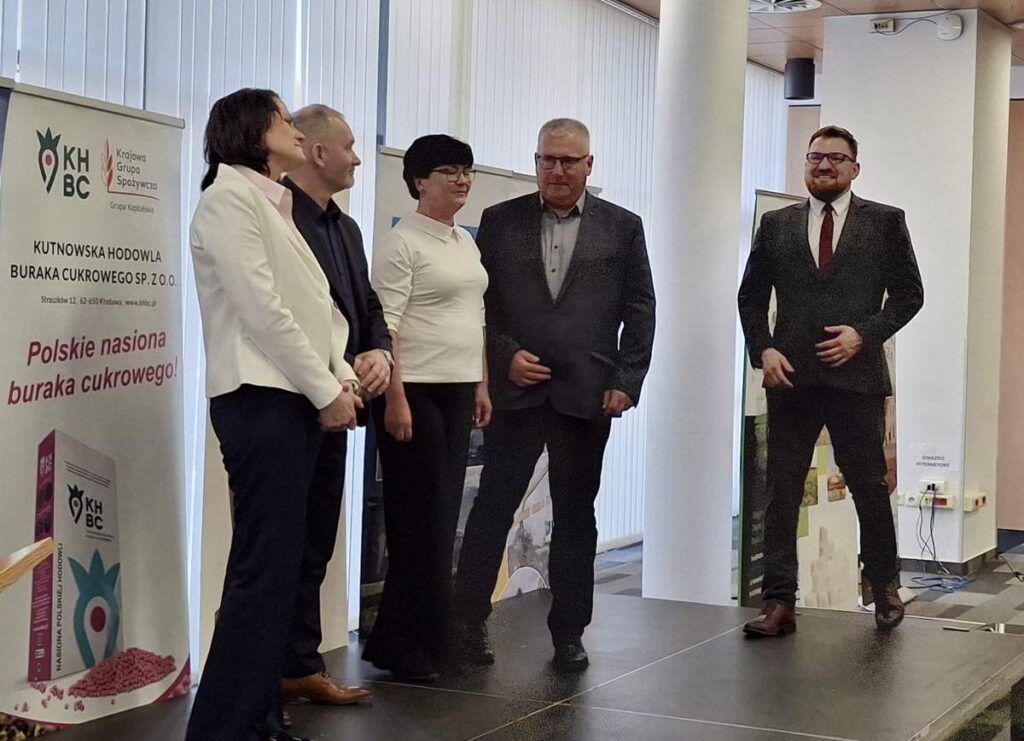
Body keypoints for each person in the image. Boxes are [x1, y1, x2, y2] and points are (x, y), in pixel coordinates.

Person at [185, 88, 362, 741]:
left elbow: (322, 309)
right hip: (260, 401)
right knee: (263, 569)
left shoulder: (272, 202)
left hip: (290, 399)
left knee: (278, 570)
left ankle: (256, 720)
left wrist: (341, 373)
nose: (295, 128)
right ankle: (225, 727)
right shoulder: (227, 200)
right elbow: (263, 311)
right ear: (253, 131)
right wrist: (326, 390)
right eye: (285, 119)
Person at [454, 118, 656, 673]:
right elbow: (480, 304)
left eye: (569, 161)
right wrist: (504, 356)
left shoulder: (623, 227)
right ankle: (467, 625)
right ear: (536, 162)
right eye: (548, 160)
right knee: (492, 509)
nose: (558, 171)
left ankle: (569, 633)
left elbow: (641, 308)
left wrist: (627, 381)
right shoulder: (500, 221)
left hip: (586, 394)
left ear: (590, 165)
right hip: (516, 392)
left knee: (576, 518)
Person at [737, 124, 924, 637]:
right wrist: (763, 349)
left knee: (868, 487)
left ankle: (884, 588)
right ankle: (779, 602)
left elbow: (909, 295)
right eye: (815, 157)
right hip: (790, 378)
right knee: (781, 493)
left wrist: (864, 335)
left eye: (836, 158)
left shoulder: (885, 222)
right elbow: (750, 297)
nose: (823, 165)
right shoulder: (776, 224)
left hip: (856, 379)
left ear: (855, 168)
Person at [362, 134, 491, 681]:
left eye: (466, 170)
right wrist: (393, 398)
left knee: (441, 518)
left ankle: (422, 641)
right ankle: (409, 646)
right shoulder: (401, 242)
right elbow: (384, 327)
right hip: (412, 391)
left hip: (458, 388)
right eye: (448, 171)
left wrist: (481, 385)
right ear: (419, 181)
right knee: (418, 521)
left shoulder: (463, 241)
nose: (462, 179)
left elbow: (475, 317)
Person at [275, 104, 390, 708]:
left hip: (342, 403)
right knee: (281, 544)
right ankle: (269, 673)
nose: (358, 158)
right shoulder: (275, 216)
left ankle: (299, 665)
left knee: (317, 538)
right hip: (291, 402)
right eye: (348, 146)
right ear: (318, 153)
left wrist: (380, 354)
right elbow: (283, 318)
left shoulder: (344, 227)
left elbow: (365, 305)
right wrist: (335, 378)